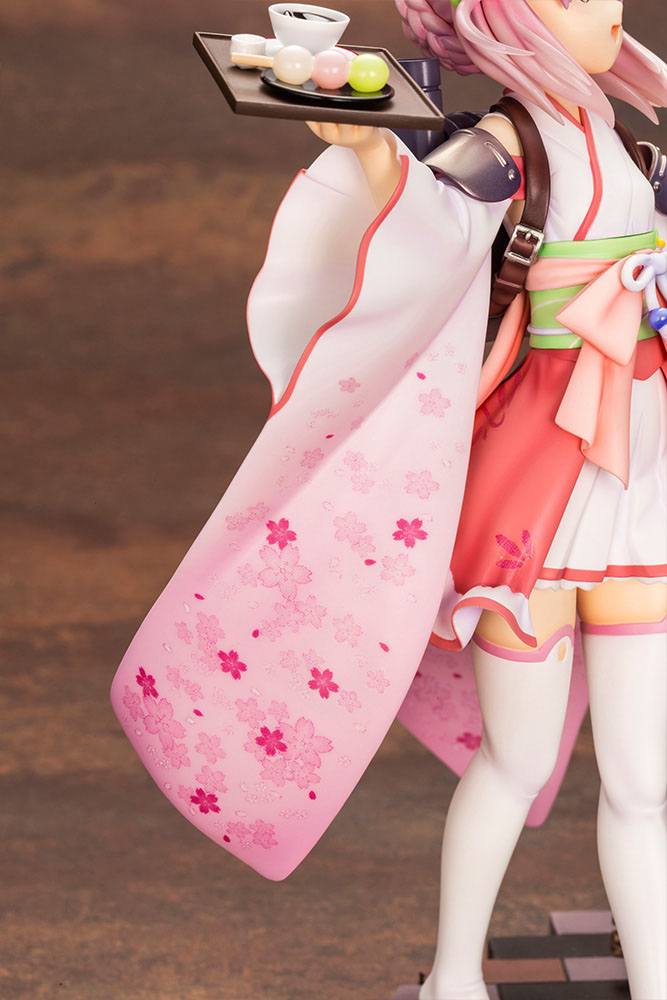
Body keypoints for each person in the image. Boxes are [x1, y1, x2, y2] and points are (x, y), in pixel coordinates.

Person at [111, 2, 667, 998]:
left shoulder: (628, 143)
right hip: (535, 485)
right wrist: (372, 152)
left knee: (643, 781)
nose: (605, 9)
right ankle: (453, 975)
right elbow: (432, 218)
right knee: (514, 760)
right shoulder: (511, 144)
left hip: (638, 473)